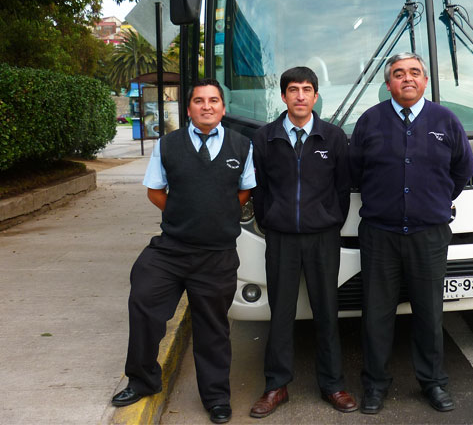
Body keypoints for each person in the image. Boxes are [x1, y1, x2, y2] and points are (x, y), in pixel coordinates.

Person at [112, 79, 255, 425]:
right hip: (171, 249)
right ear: (189, 107)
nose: (207, 106)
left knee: (213, 328)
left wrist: (216, 217)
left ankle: (217, 398)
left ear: (223, 107)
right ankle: (143, 380)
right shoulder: (168, 145)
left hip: (217, 254)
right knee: (143, 302)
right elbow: (156, 191)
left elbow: (244, 193)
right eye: (199, 100)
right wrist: (183, 215)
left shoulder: (242, 145)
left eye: (214, 100)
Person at [349, 52, 473, 415]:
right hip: (379, 234)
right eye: (399, 74)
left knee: (429, 312)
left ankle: (433, 383)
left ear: (425, 82)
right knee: (376, 313)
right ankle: (374, 385)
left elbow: (462, 170)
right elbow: (355, 171)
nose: (408, 78)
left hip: (429, 235)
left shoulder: (445, 120)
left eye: (415, 73)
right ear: (388, 83)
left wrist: (434, 200)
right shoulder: (370, 121)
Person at [249, 66, 357, 418]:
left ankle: (333, 384)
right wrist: (272, 221)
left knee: (327, 310)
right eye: (293, 89)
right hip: (280, 238)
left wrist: (328, 220)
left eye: (306, 89)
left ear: (315, 96)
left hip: (322, 238)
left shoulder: (333, 137)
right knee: (281, 312)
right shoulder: (264, 138)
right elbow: (259, 190)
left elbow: (342, 189)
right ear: (283, 96)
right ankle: (276, 385)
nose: (299, 95)